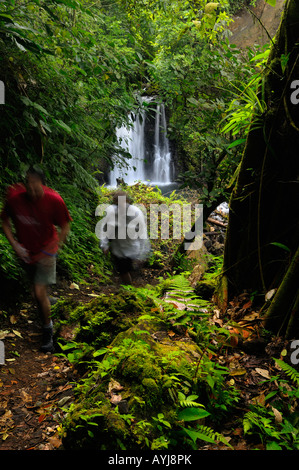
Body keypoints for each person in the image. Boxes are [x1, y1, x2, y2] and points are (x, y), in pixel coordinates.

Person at [1, 166, 72, 352]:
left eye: (36, 186)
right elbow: (5, 221)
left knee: (39, 292)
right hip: (27, 252)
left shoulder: (54, 200)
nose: (32, 190)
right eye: (28, 185)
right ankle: (50, 303)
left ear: (43, 185)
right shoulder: (16, 199)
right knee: (36, 294)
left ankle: (48, 333)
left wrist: (56, 247)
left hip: (47, 250)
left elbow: (65, 226)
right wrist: (15, 245)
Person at [99, 191, 150, 285]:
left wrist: (143, 252)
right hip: (118, 248)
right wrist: (104, 245)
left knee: (125, 271)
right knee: (123, 271)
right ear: (115, 203)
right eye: (119, 204)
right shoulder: (111, 212)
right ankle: (128, 289)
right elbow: (104, 228)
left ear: (128, 202)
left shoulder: (136, 213)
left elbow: (142, 233)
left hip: (132, 248)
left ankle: (130, 290)